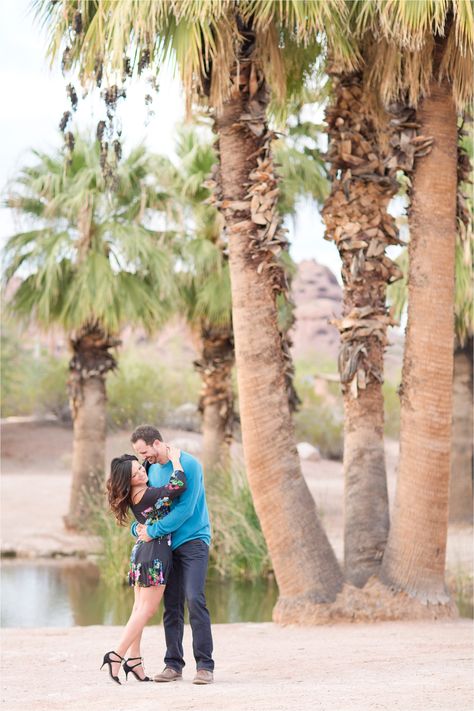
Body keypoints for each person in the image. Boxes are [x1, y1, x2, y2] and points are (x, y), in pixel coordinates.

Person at [131, 424, 214, 685]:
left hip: (193, 541)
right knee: (172, 604)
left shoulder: (189, 465)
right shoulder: (150, 469)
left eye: (145, 451)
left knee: (195, 598)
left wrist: (153, 530)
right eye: (139, 454)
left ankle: (204, 666)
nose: (144, 458)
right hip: (164, 545)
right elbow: (145, 506)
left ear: (157, 443)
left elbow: (186, 510)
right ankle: (173, 664)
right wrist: (138, 528)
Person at [101, 446, 186, 685]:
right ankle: (116, 655)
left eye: (140, 468)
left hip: (142, 551)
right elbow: (177, 487)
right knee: (146, 611)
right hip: (155, 554)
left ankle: (135, 660)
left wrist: (144, 463)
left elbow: (145, 472)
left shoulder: (136, 493)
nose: (140, 473)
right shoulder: (147, 494)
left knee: (139, 610)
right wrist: (176, 461)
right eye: (134, 474)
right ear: (127, 481)